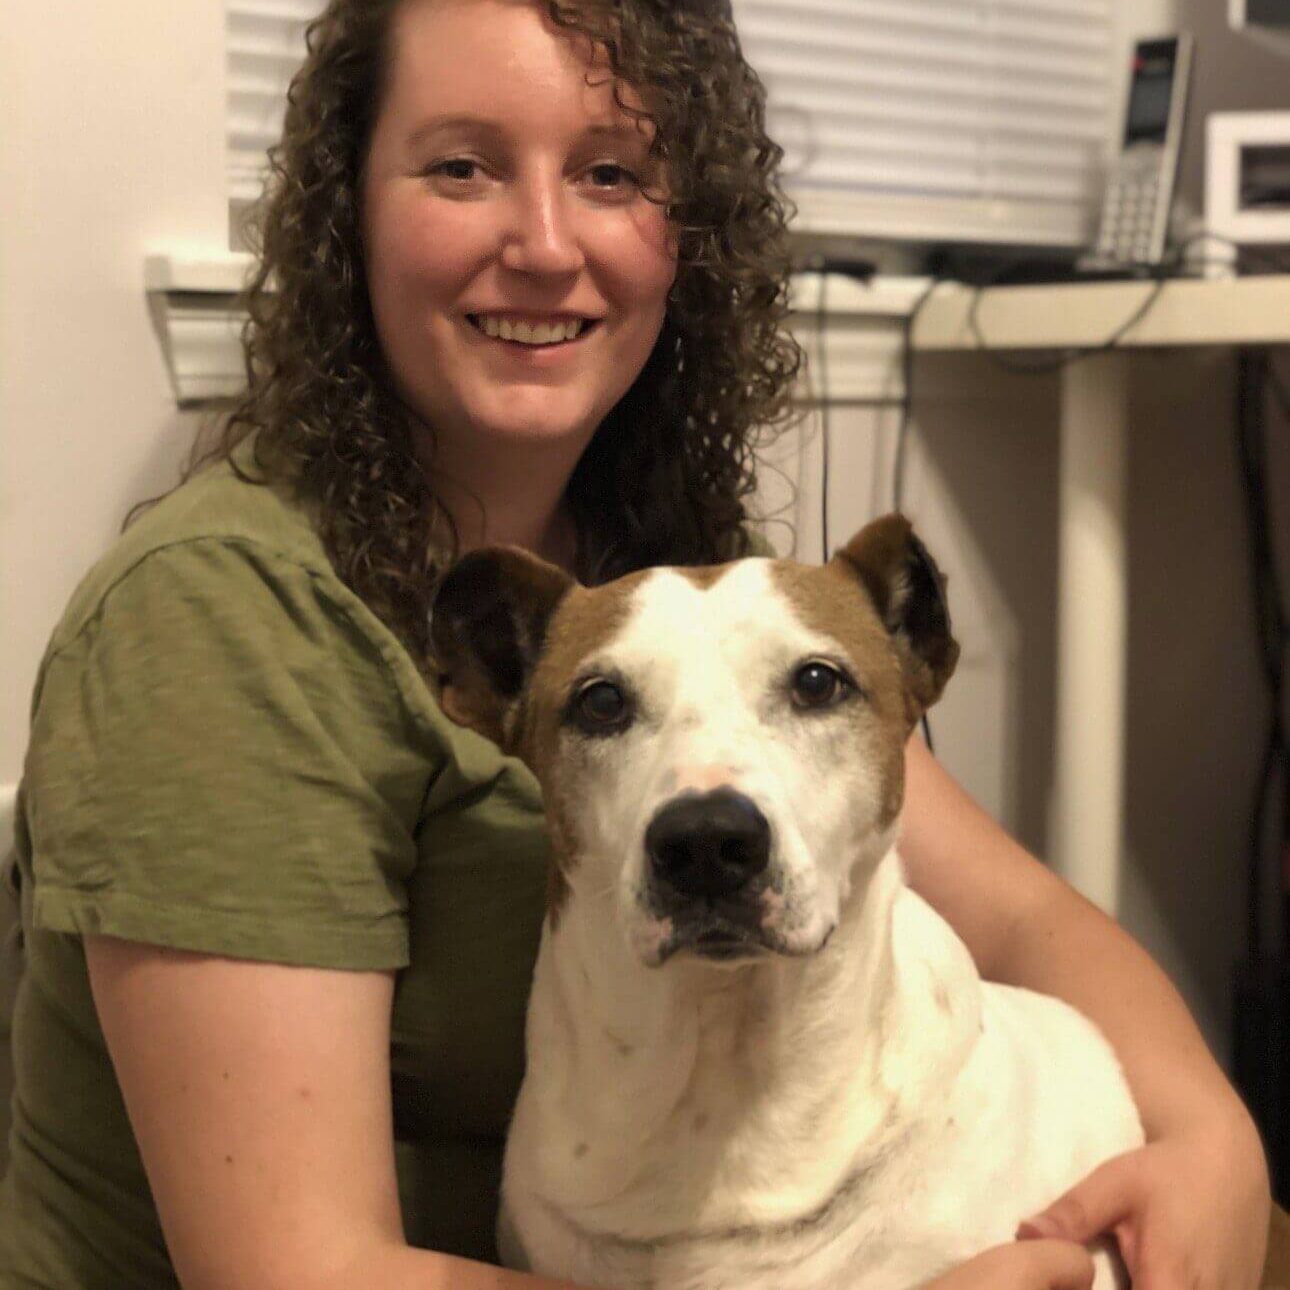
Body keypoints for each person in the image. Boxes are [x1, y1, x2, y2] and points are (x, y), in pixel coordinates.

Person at [0, 0, 1272, 1287]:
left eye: (610, 173)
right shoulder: (226, 621)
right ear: (347, 215)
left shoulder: (664, 567)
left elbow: (1023, 918)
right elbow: (297, 1276)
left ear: (689, 237)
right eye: (461, 166)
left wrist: (1216, 1142)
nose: (545, 244)